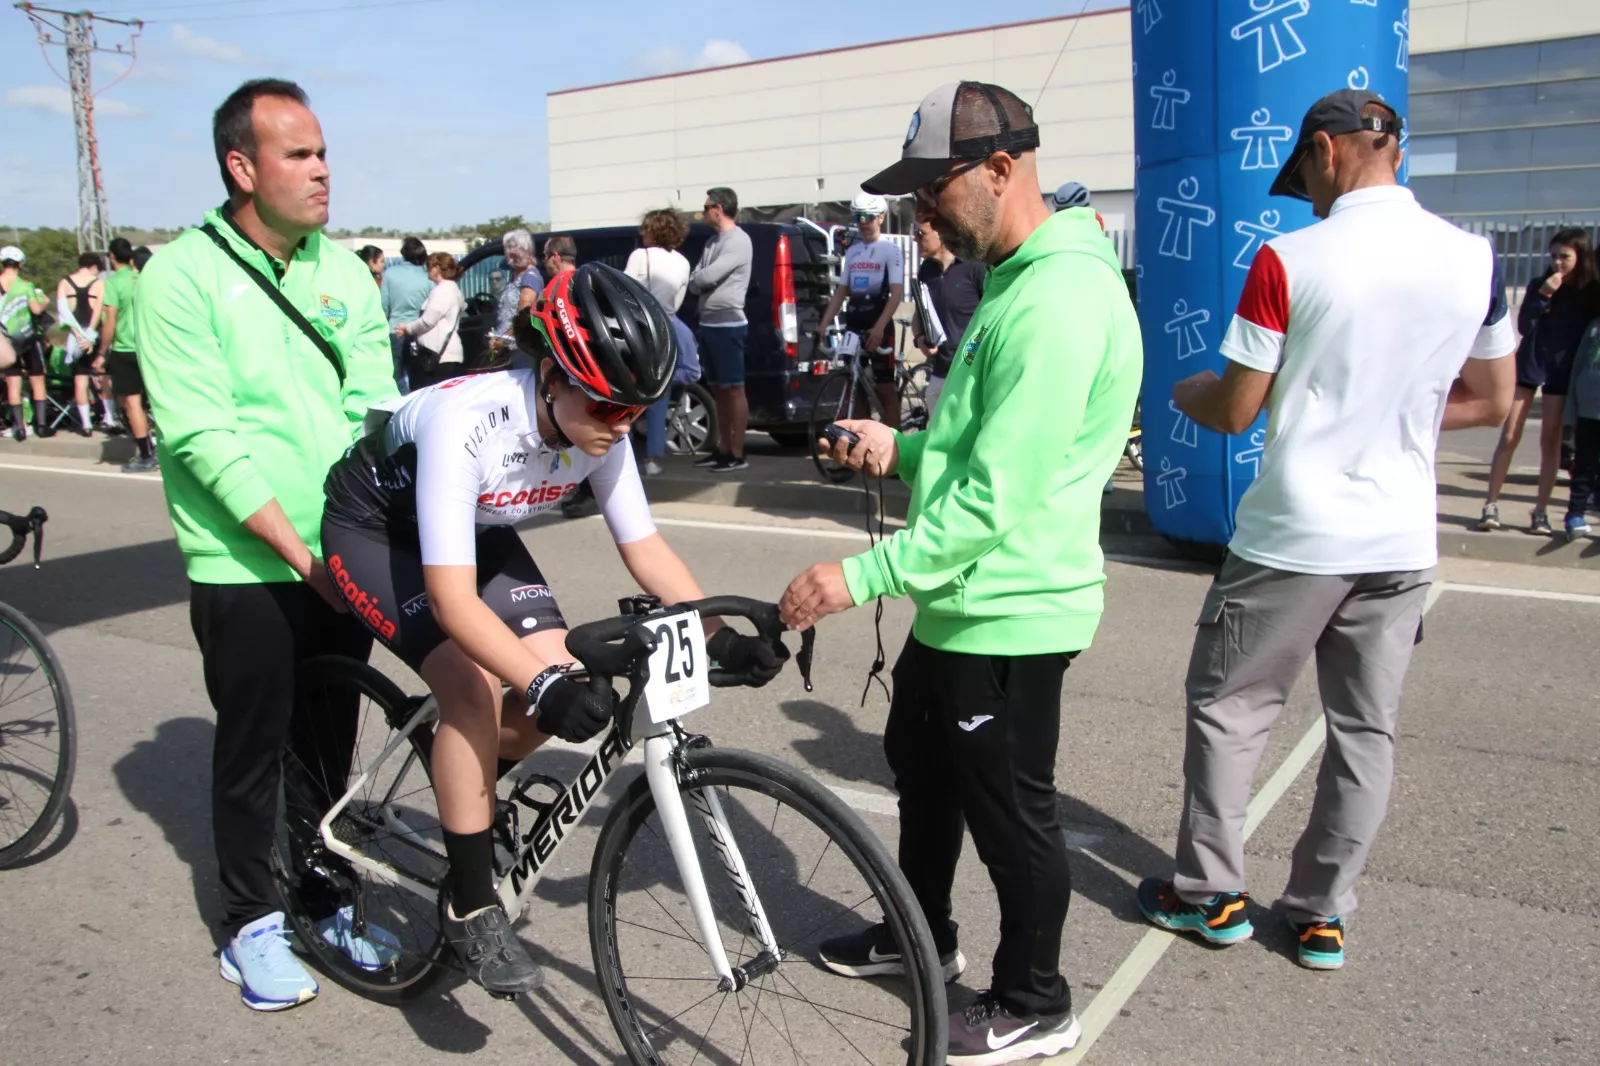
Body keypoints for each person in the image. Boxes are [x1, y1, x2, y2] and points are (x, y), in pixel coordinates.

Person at [779, 81, 1141, 1064]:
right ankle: (922, 938)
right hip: (961, 603)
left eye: (929, 190)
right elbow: (973, 446)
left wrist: (858, 578)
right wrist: (898, 451)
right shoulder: (1016, 277)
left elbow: (998, 499)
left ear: (999, 167)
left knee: (1011, 813)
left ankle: (1034, 998)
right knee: (924, 775)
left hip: (1011, 611)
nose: (918, 213)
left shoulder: (1056, 301)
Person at [320, 261, 783, 994]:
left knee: (568, 688)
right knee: (476, 689)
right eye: (606, 408)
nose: (620, 426)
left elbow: (645, 548)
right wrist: (533, 682)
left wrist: (717, 631)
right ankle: (470, 906)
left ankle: (464, 789)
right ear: (555, 378)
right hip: (375, 528)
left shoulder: (601, 423)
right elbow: (452, 604)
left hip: (474, 525)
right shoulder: (469, 423)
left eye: (636, 412)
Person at [1137, 89, 1516, 974]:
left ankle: (1210, 895)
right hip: (1399, 538)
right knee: (1364, 730)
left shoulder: (1289, 258)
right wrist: (1401, 413)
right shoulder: (1476, 260)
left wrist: (1184, 392)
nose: (1303, 190)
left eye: (1304, 171)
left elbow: (1234, 407)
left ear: (1328, 150)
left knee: (1232, 710)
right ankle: (1319, 915)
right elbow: (1493, 401)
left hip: (1294, 534)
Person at [133, 77, 400, 1013]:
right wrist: (300, 556)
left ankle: (321, 891)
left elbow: (371, 397)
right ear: (242, 168)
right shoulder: (178, 277)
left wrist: (362, 531)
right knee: (253, 747)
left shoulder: (344, 271)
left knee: (329, 738)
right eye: (299, 154)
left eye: (323, 151)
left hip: (341, 547)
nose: (322, 170)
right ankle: (250, 920)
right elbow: (202, 437)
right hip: (246, 560)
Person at [1477, 228, 1600, 534]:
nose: (1558, 262)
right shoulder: (1540, 285)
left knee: (1550, 441)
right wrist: (1545, 293)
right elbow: (1524, 322)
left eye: (1565, 257)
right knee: (1509, 435)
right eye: (1554, 255)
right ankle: (1490, 504)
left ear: (1580, 257)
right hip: (1531, 365)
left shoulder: (1589, 293)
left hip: (1561, 372)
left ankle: (1541, 511)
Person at [817, 191, 905, 426]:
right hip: (854, 324)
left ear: (881, 217)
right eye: (858, 218)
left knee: (885, 388)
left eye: (868, 217)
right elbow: (841, 292)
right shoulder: (853, 251)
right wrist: (824, 324)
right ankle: (864, 443)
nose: (863, 223)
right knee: (853, 386)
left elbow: (896, 294)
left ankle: (895, 448)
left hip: (879, 323)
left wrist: (879, 327)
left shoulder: (890, 250)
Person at [687, 186, 752, 472]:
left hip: (729, 324)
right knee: (718, 389)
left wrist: (701, 279)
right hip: (709, 323)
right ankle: (722, 448)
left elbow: (707, 276)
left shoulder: (739, 241)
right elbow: (696, 278)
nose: (704, 210)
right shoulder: (713, 242)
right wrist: (701, 279)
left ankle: (737, 452)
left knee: (734, 388)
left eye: (707, 205)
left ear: (719, 208)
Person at [626, 208, 693, 474]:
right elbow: (677, 302)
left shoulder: (639, 256)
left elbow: (625, 292)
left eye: (645, 228)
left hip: (639, 330)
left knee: (628, 393)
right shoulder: (683, 263)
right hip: (666, 331)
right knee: (659, 395)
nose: (642, 233)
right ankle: (653, 458)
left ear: (653, 230)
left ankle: (625, 454)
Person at [909, 220, 982, 416]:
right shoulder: (926, 270)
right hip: (940, 369)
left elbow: (992, 315)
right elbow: (919, 313)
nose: (916, 239)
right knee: (936, 435)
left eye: (921, 234)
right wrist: (919, 338)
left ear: (940, 234)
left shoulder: (974, 267)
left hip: (971, 372)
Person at [97, 237, 153, 469]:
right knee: (152, 401)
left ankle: (146, 454)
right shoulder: (144, 278)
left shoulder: (113, 283)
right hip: (150, 345)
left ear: (111, 257)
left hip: (125, 347)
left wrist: (101, 351)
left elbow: (110, 321)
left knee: (132, 403)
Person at [0, 246, 55, 441]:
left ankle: (19, 427)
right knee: (37, 380)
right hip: (28, 338)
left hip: (7, 342)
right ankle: (41, 425)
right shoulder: (25, 285)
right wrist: (44, 302)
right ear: (20, 264)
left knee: (13, 383)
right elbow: (36, 310)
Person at [394, 251, 465, 389]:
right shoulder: (453, 289)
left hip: (438, 356)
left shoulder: (442, 290)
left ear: (437, 268)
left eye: (429, 266)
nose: (427, 269)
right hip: (445, 354)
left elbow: (428, 321)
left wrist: (407, 328)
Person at [57, 252, 105, 436]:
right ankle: (108, 417)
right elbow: (98, 309)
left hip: (75, 337)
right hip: (93, 334)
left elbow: (64, 312)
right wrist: (90, 335)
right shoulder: (99, 283)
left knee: (80, 380)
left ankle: (86, 424)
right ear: (93, 265)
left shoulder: (64, 282)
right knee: (103, 375)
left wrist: (78, 335)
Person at [1561, 317, 1600, 539]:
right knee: (1584, 466)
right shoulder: (1594, 326)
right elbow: (1577, 368)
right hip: (1588, 410)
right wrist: (1570, 413)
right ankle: (1575, 515)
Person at [381, 236, 433, 392]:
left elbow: (383, 306)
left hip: (394, 331)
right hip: (419, 333)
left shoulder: (390, 274)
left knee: (396, 376)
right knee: (418, 377)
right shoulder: (427, 277)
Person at [491, 227, 544, 367]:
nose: (511, 256)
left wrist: (505, 338)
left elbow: (524, 314)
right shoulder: (517, 276)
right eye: (509, 250)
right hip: (510, 349)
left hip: (521, 350)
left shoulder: (530, 277)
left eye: (515, 251)